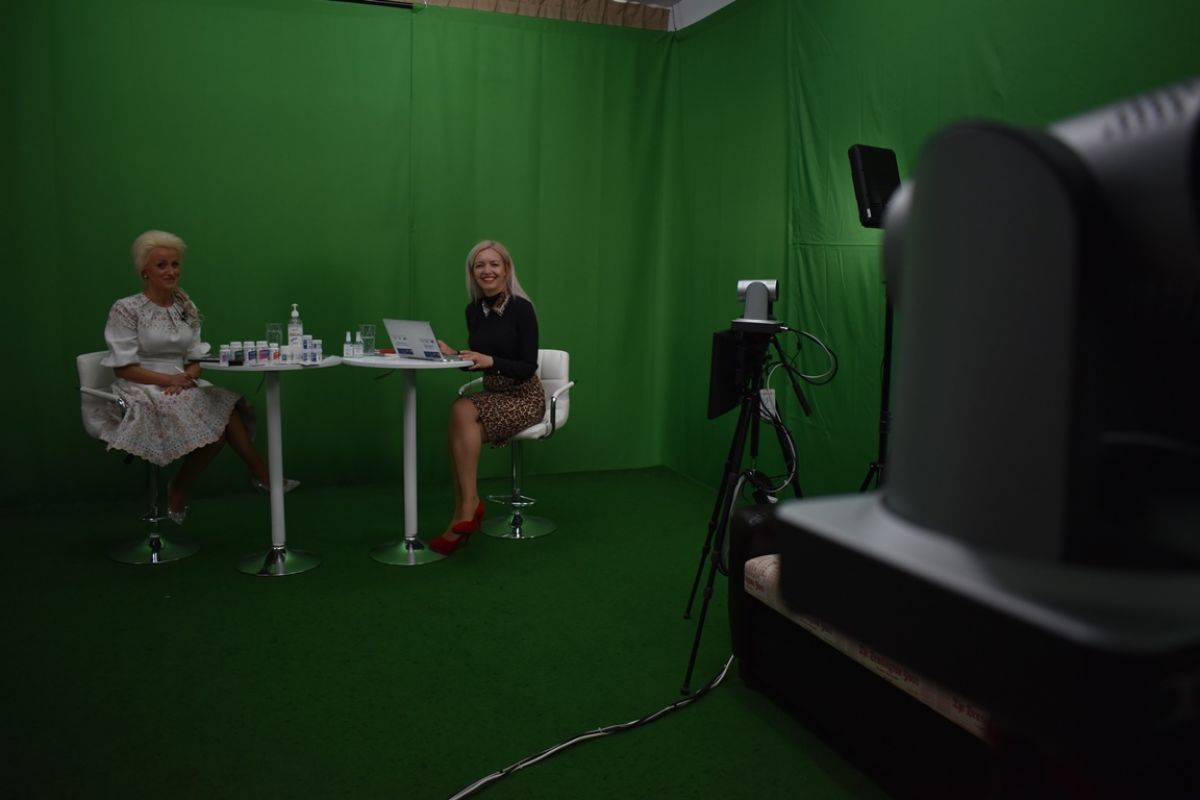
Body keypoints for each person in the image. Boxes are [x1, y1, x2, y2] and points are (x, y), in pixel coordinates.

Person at [98, 230, 294, 524]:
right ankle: (251, 477)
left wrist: (188, 376)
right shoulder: (126, 308)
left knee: (226, 407)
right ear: (145, 271)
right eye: (161, 265)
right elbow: (123, 368)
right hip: (141, 387)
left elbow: (195, 358)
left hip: (182, 384)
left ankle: (254, 475)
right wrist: (170, 381)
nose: (171, 271)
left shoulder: (184, 307)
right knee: (218, 426)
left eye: (175, 264)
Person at [430, 240, 545, 555]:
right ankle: (461, 518)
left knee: (460, 414)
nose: (487, 270)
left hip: (523, 396)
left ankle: (468, 507)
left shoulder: (522, 308)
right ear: (472, 272)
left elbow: (527, 366)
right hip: (493, 395)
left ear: (506, 269)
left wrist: (490, 361)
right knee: (460, 435)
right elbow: (478, 360)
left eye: (494, 264)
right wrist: (454, 354)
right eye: (479, 265)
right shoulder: (473, 310)